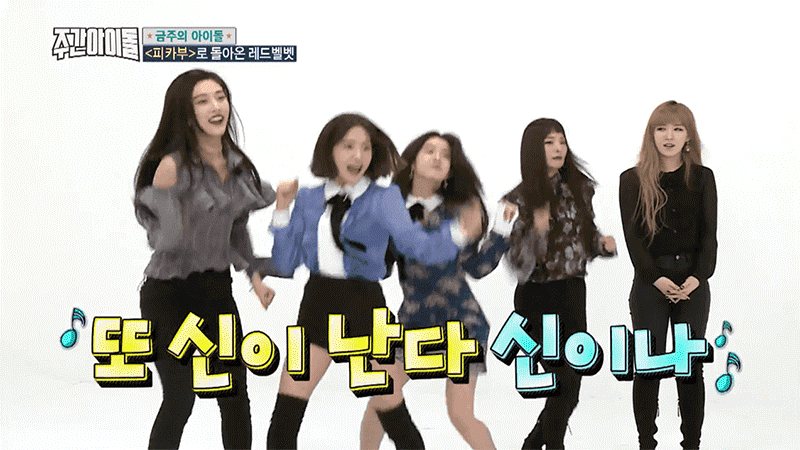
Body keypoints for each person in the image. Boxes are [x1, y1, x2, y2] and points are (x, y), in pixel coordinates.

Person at [266, 114, 483, 450]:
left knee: (393, 415)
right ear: (330, 150)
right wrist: (282, 209)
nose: (358, 156)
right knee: (284, 420)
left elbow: (416, 245)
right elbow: (285, 263)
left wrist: (457, 234)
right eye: (348, 146)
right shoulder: (308, 198)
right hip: (317, 304)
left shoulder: (384, 198)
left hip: (364, 306)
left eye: (366, 148)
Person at [133, 69, 277, 449]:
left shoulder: (237, 165)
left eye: (220, 96)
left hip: (215, 290)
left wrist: (254, 278)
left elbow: (235, 230)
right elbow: (165, 241)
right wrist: (174, 210)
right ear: (186, 113)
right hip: (168, 294)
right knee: (180, 397)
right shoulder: (171, 167)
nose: (216, 107)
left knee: (234, 394)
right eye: (203, 101)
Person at [359, 131, 517, 450]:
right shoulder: (392, 211)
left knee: (460, 414)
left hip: (462, 323)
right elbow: (381, 267)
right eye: (429, 150)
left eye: (445, 155)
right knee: (380, 399)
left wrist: (501, 231)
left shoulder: (461, 209)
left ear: (449, 171)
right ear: (412, 162)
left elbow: (476, 268)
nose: (437, 158)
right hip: (414, 321)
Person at [504, 118, 616, 449]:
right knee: (561, 380)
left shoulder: (579, 189)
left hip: (572, 293)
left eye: (562, 142)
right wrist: (537, 232)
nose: (558, 149)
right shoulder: (517, 199)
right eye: (549, 143)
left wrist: (601, 245)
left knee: (571, 384)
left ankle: (532, 444)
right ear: (533, 150)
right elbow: (516, 262)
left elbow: (584, 237)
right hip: (537, 297)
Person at [619, 101, 717, 450]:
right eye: (661, 128)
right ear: (651, 134)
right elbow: (633, 240)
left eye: (677, 128)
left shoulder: (702, 178)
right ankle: (647, 442)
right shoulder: (631, 180)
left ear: (689, 135)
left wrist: (698, 277)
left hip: (693, 282)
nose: (669, 136)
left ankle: (692, 443)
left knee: (690, 367)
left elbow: (709, 235)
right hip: (650, 283)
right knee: (648, 366)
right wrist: (657, 279)